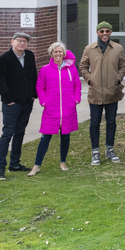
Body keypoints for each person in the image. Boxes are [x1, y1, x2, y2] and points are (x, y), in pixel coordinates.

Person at [28, 42, 82, 176]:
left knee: (65, 136)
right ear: (51, 54)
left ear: (64, 53)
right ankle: (37, 165)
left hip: (68, 108)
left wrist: (76, 99)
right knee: (45, 137)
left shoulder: (71, 69)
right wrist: (44, 101)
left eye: (60, 52)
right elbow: (40, 87)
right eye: (55, 52)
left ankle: (63, 161)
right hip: (51, 109)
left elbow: (77, 84)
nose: (58, 54)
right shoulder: (45, 69)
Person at [78, 21, 125, 166]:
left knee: (111, 122)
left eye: (107, 31)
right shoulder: (89, 49)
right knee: (95, 122)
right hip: (96, 92)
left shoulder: (117, 48)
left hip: (112, 91)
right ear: (97, 32)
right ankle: (95, 151)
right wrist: (90, 79)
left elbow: (123, 65)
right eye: (102, 31)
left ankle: (110, 149)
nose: (104, 34)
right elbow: (83, 66)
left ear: (111, 32)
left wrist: (117, 78)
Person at [0, 32, 38, 180]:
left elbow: (33, 75)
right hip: (12, 104)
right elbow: (0, 81)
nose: (22, 43)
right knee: (7, 134)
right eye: (19, 41)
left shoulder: (29, 55)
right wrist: (8, 100)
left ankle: (14, 164)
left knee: (20, 133)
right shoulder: (4, 59)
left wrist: (33, 94)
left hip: (27, 102)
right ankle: (0, 169)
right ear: (12, 41)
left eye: (25, 41)